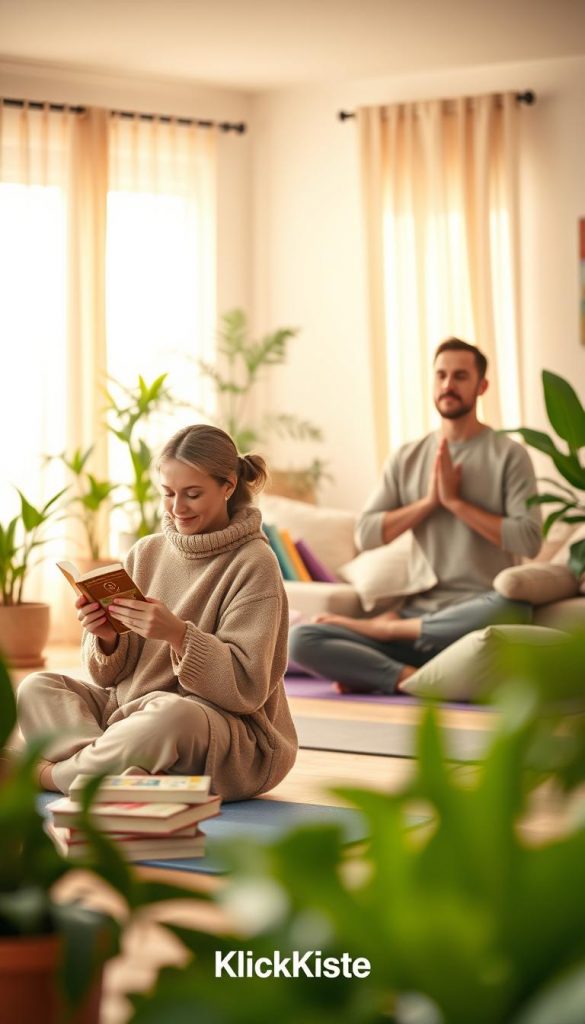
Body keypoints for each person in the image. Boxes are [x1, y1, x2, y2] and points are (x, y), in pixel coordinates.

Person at [18, 424, 298, 799]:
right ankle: (115, 771)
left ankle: (53, 777)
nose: (177, 508)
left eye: (193, 494)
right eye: (168, 494)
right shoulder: (145, 552)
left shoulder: (254, 563)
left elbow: (246, 689)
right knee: (38, 686)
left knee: (171, 714)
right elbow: (108, 679)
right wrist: (106, 638)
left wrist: (178, 635)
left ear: (228, 486)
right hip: (130, 716)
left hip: (220, 732)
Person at [289, 338, 542, 695]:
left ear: (482, 386)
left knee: (513, 607)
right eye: (440, 375)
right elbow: (366, 535)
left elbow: (530, 539)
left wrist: (456, 503)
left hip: (475, 616)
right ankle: (409, 677)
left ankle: (380, 654)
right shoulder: (407, 457)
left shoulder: (510, 456)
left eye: (460, 376)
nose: (447, 385)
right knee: (301, 638)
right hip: (417, 618)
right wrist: (428, 503)